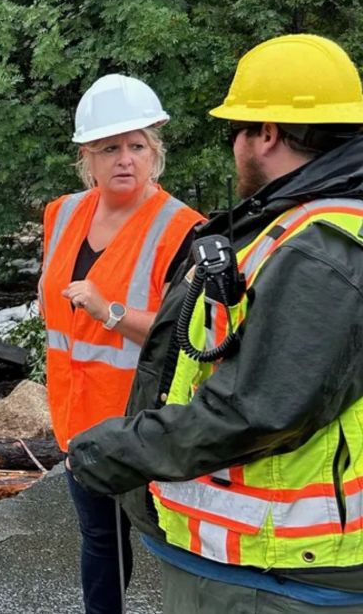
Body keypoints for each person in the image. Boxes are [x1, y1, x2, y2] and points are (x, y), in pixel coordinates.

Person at [68, 33, 363, 613]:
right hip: (241, 552)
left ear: (267, 134)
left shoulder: (321, 247)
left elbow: (261, 408)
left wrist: (121, 448)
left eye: (238, 131)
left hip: (277, 568)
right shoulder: (296, 224)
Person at [39, 73, 204, 614]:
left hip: (145, 420)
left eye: (137, 146)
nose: (125, 159)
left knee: (173, 541)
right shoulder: (62, 213)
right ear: (88, 154)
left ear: (155, 151)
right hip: (77, 418)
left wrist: (107, 310)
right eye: (111, 147)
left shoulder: (182, 228)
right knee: (100, 539)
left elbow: (188, 332)